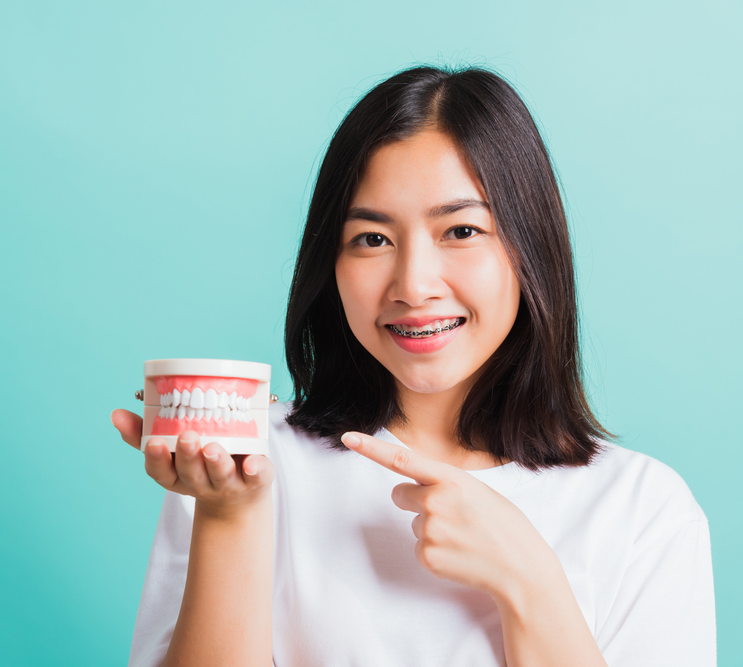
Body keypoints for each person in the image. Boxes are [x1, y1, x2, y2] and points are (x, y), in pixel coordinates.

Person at [110, 66, 716, 666]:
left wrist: (532, 583)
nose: (414, 284)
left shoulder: (643, 509)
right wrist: (230, 515)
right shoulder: (241, 461)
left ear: (531, 246)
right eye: (373, 239)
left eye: (460, 229)